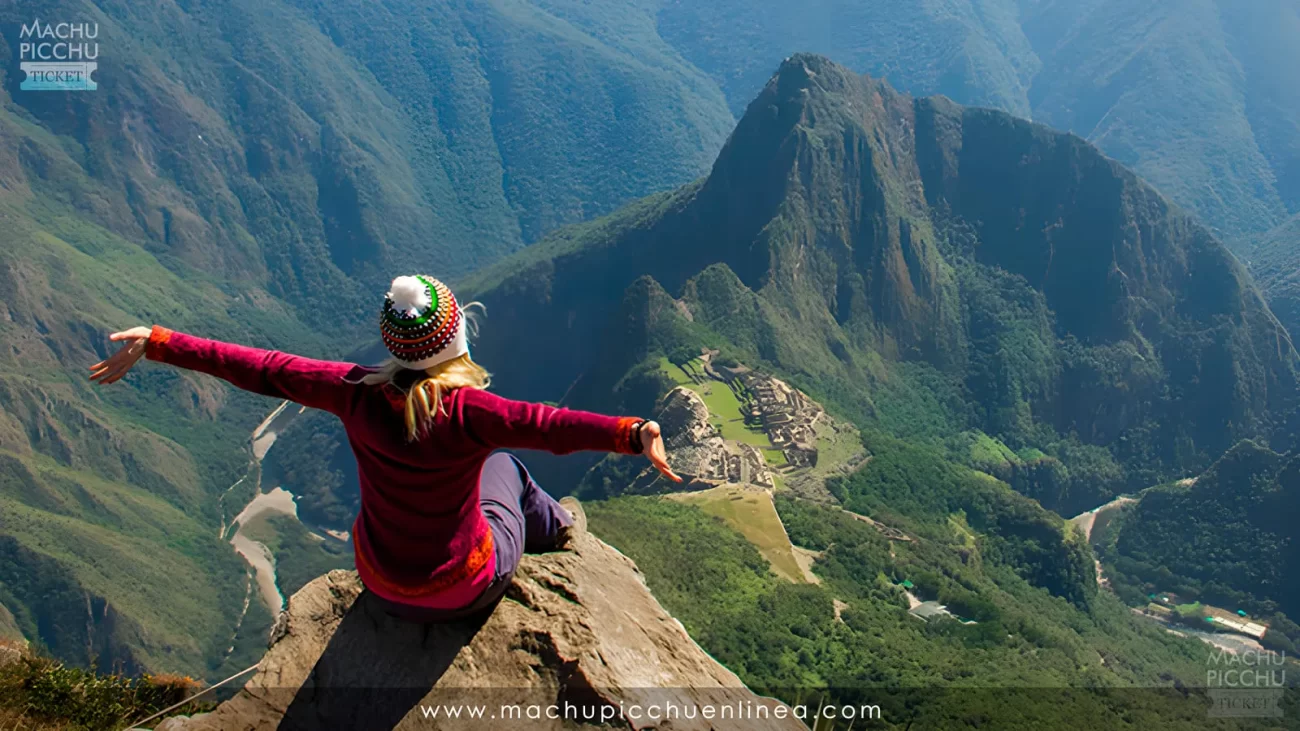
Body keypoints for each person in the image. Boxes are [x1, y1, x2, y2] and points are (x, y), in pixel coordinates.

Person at [89, 274, 680, 621]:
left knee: (490, 467)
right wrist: (634, 433)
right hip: (463, 586)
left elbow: (263, 369)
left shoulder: (352, 392)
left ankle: (551, 532)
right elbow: (550, 426)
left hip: (378, 579)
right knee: (506, 467)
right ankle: (561, 533)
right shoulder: (469, 413)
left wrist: (162, 342)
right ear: (457, 340)